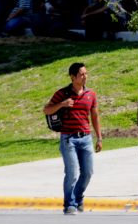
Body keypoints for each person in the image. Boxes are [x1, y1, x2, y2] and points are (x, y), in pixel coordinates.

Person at [43, 62, 103, 215]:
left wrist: (99, 138)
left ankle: (78, 196)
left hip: (86, 139)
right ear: (72, 77)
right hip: (68, 139)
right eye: (81, 74)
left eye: (86, 73)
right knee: (72, 173)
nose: (85, 77)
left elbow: (95, 116)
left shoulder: (91, 94)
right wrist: (62, 104)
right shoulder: (62, 93)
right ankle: (69, 204)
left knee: (88, 172)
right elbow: (47, 109)